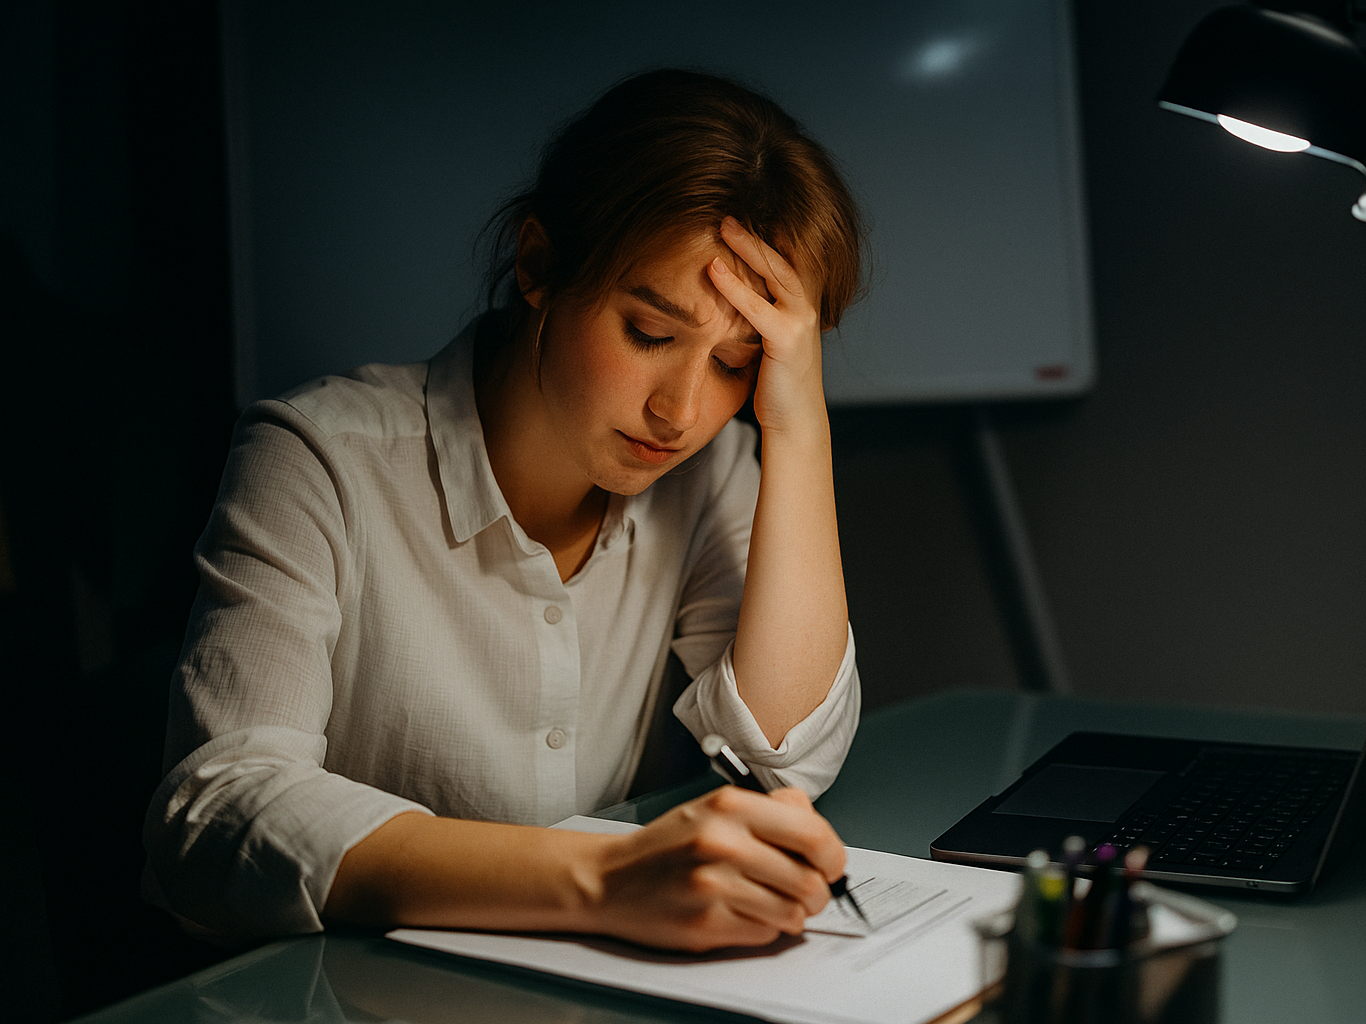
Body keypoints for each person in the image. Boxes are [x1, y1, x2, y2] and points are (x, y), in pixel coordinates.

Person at [142, 68, 866, 953]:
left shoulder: (711, 469)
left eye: (735, 363)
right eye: (649, 333)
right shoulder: (317, 459)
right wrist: (601, 883)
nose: (680, 412)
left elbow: (785, 760)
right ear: (539, 267)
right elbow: (216, 811)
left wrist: (797, 425)